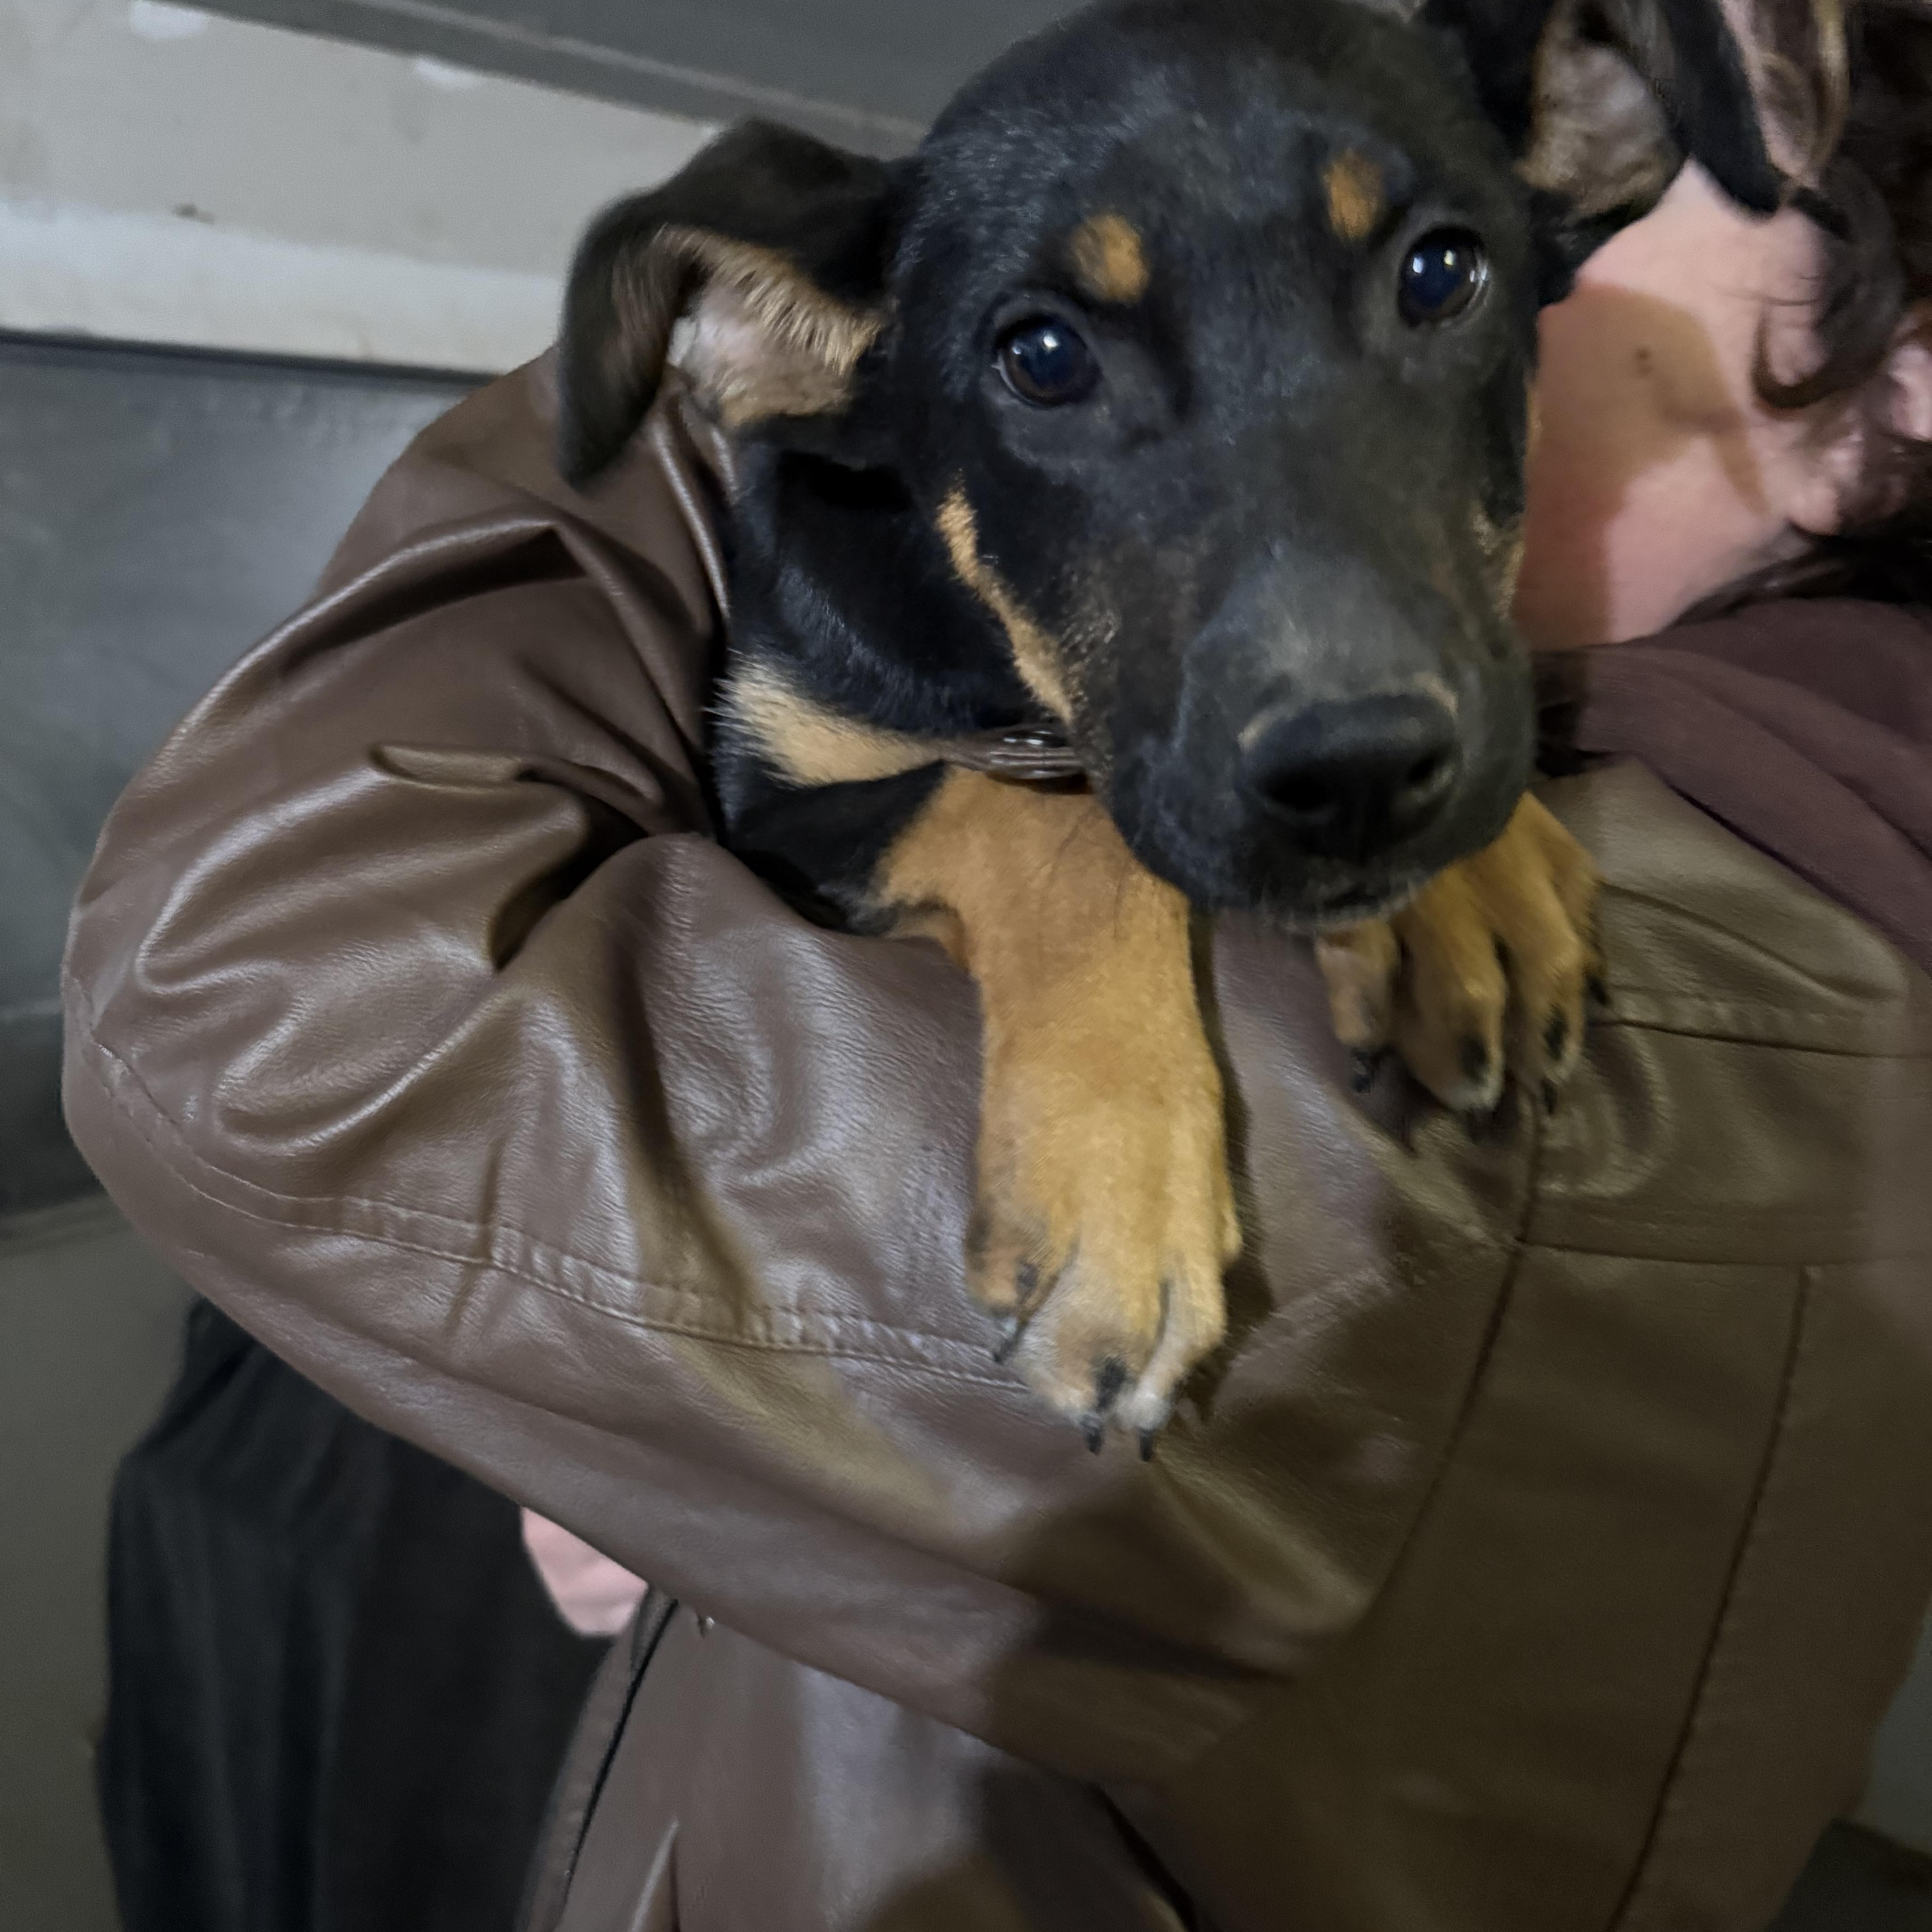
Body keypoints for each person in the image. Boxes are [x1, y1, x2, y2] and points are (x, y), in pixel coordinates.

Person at [60, 0, 1932, 1926]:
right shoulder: (1774, 781)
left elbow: (246, 1002)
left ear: (1902, 392)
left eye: (1442, 276)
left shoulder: (1714, 951)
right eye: (1050, 350)